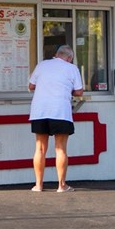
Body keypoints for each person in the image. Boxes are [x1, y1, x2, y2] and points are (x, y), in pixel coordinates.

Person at [28, 44, 84, 192]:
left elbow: (31, 86)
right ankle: (61, 185)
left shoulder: (42, 65)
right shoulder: (72, 68)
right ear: (70, 58)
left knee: (40, 148)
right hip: (60, 111)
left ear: (56, 54)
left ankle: (38, 185)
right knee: (60, 148)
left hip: (39, 111)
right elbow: (79, 91)